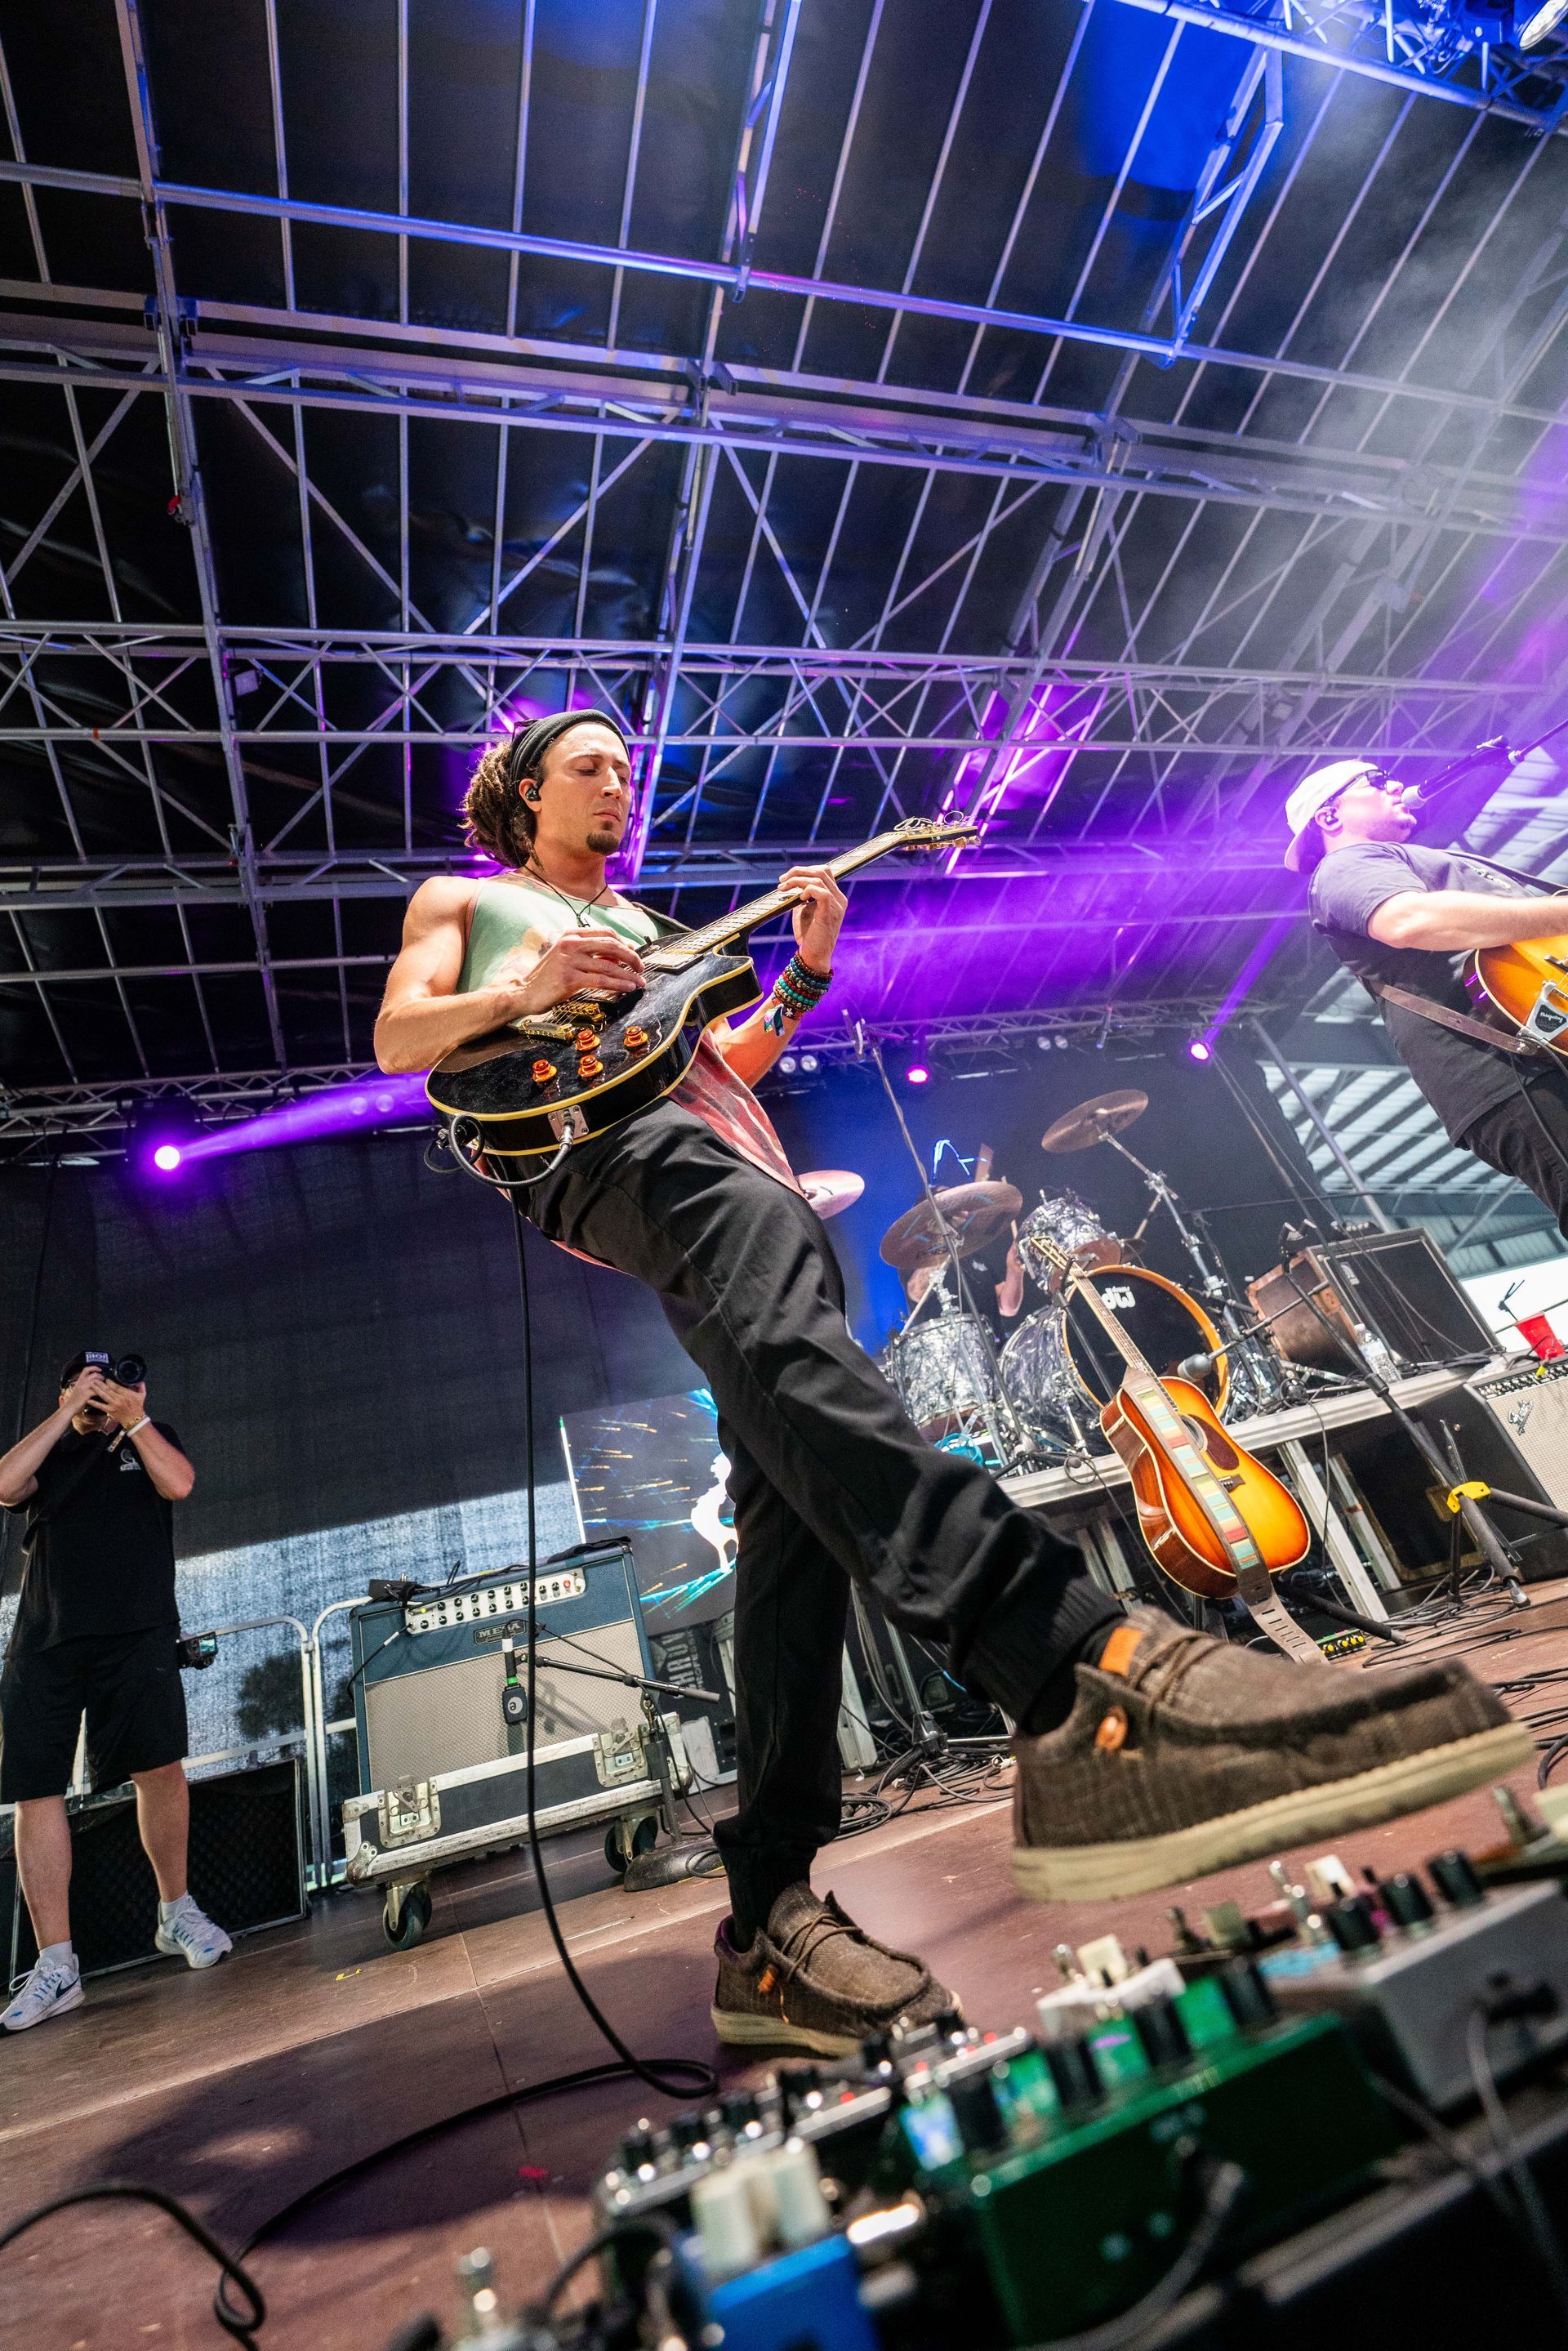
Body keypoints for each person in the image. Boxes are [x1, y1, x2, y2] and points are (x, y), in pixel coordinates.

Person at [375, 708, 1526, 2057]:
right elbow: (404, 1037)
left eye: (629, 769)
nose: (618, 783)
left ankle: (765, 1921)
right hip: (619, 1161)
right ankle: (1077, 1670)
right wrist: (516, 991)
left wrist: (799, 978)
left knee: (791, 1513)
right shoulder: (471, 898)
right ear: (519, 790)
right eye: (589, 766)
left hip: (728, 1162)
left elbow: (712, 1065)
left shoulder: (641, 925)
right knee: (776, 1290)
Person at [0, 1353, 231, 2032]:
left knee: (159, 1767)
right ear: (70, 1386)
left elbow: (181, 1484)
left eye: (122, 1380)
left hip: (138, 1632)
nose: (111, 1390)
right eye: (92, 1380)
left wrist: (134, 1420)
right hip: (47, 1639)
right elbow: (5, 1485)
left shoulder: (153, 1437)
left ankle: (176, 1912)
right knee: (34, 1789)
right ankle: (57, 1964)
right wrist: (70, 1409)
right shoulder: (51, 1448)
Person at [1286, 758, 1568, 1233]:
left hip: (1540, 1049)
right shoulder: (1343, 866)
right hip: (1509, 1068)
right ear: (1329, 817)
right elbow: (1408, 921)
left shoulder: (1408, 860)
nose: (1395, 783)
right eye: (1375, 782)